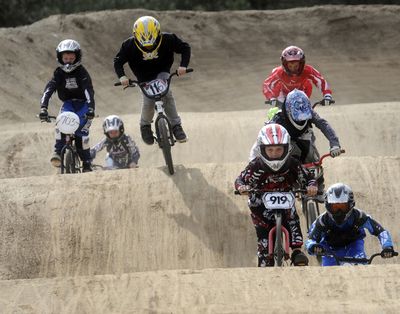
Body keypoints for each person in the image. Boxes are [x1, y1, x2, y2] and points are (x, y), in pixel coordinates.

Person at [235, 124, 318, 267]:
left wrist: (311, 186)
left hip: (286, 198)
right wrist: (242, 187)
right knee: (263, 235)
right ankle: (264, 257)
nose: (274, 153)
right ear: (262, 149)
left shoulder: (293, 163)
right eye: (270, 150)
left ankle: (297, 250)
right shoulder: (256, 165)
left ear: (286, 148)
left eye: (279, 149)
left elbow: (309, 177)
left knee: (291, 218)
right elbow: (240, 179)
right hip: (260, 203)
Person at [114, 16, 191, 145]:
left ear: (158, 34)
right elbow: (118, 62)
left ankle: (176, 126)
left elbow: (185, 48)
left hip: (162, 71)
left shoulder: (168, 39)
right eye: (145, 45)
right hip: (143, 76)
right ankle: (145, 127)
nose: (149, 48)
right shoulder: (128, 45)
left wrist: (183, 66)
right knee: (148, 101)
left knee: (167, 95)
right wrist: (122, 77)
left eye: (152, 44)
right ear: (136, 37)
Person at [250, 89, 342, 198]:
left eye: (304, 115)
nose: (301, 119)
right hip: (285, 139)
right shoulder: (277, 118)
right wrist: (254, 159)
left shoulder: (311, 112)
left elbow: (323, 125)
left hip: (304, 136)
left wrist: (334, 144)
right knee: (284, 157)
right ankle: (289, 181)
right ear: (288, 110)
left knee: (313, 157)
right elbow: (263, 138)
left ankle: (319, 185)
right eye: (297, 117)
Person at [39, 39, 95, 172]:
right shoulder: (59, 73)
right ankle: (58, 152)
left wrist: (91, 108)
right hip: (68, 104)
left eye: (71, 58)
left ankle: (86, 163)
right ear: (60, 58)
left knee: (82, 134)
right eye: (65, 58)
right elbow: (49, 90)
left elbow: (88, 91)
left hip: (84, 105)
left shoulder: (82, 72)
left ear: (77, 57)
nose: (68, 61)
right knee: (60, 125)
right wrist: (43, 108)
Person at [306, 183, 395, 266]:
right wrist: (313, 246)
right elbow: (310, 239)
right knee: (328, 277)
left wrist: (387, 247)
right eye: (335, 207)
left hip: (354, 248)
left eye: (342, 207)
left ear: (351, 204)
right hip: (330, 252)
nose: (339, 212)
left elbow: (380, 231)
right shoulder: (322, 221)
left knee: (361, 270)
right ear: (327, 206)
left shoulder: (360, 217)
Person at [263, 46, 334, 107]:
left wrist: (327, 95)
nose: (293, 69)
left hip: (303, 93)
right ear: (284, 64)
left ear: (301, 63)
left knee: (309, 113)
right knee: (279, 113)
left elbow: (321, 81)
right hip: (282, 95)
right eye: (290, 66)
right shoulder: (278, 72)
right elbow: (267, 85)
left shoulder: (308, 70)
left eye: (296, 66)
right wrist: (271, 98)